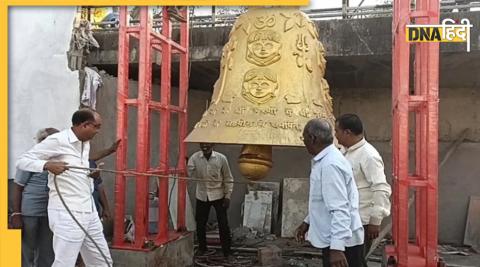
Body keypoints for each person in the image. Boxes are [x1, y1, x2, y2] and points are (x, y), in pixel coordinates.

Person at [16, 108, 113, 267]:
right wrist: (47, 165)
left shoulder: (85, 143)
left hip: (89, 211)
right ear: (84, 125)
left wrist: (90, 176)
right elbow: (22, 160)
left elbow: (74, 175)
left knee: (102, 261)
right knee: (64, 262)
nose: (98, 131)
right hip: (67, 213)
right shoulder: (58, 140)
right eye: (97, 126)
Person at [295, 119, 364, 267]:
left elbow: (340, 208)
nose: (304, 142)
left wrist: (337, 248)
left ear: (313, 139)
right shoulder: (326, 160)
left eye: (304, 138)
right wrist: (307, 222)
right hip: (335, 238)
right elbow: (323, 200)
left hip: (342, 243)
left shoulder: (330, 165)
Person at [335, 114, 392, 260]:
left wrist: (375, 221)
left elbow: (381, 188)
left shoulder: (369, 155)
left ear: (347, 132)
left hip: (362, 221)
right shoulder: (344, 151)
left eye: (337, 131)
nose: (335, 135)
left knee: (354, 260)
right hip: (345, 218)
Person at [12, 128, 59, 267]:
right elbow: (18, 187)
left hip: (50, 212)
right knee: (28, 249)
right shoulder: (30, 159)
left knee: (47, 250)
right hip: (30, 212)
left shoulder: (57, 160)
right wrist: (16, 214)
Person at [188, 143, 234, 257]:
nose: (205, 147)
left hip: (218, 195)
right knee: (200, 223)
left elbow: (228, 177)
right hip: (202, 195)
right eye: (202, 145)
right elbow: (188, 174)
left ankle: (227, 252)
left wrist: (227, 196)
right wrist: (184, 164)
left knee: (223, 224)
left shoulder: (221, 158)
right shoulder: (194, 158)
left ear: (212, 145)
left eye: (207, 144)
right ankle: (202, 248)